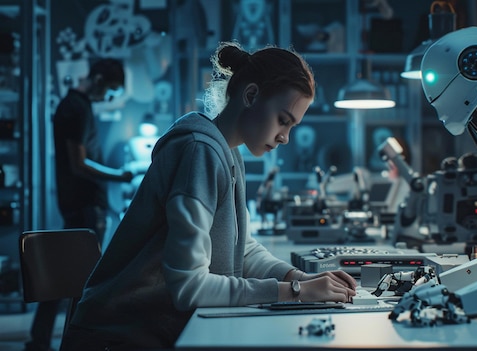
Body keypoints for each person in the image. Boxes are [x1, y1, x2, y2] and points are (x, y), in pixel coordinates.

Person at [61, 42, 357, 350]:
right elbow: (189, 287)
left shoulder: (228, 153)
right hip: (115, 338)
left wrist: (299, 277)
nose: (285, 137)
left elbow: (241, 250)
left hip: (151, 331)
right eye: (283, 120)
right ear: (251, 96)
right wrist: (294, 291)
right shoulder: (198, 151)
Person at [24, 58, 133, 351]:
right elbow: (79, 163)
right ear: (98, 80)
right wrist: (121, 176)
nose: (108, 98)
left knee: (65, 276)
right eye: (110, 91)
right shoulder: (77, 108)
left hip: (79, 204)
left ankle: (40, 341)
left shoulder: (73, 106)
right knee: (80, 282)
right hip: (85, 205)